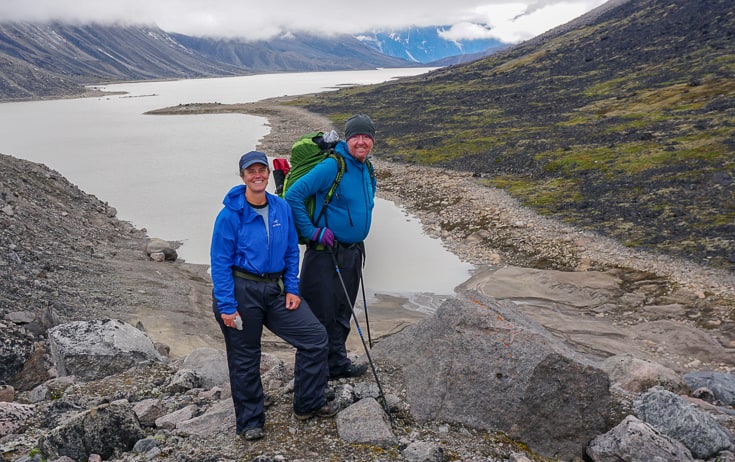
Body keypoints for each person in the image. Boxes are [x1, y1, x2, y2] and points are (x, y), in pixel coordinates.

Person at [210, 151, 338, 442]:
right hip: (241, 290)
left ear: (268, 174)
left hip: (276, 289)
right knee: (245, 357)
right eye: (251, 171)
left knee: (315, 338)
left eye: (262, 170)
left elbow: (292, 250)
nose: (258, 176)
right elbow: (219, 263)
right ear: (242, 176)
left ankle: (308, 404)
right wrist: (228, 307)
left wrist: (292, 288)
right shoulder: (230, 215)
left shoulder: (280, 207)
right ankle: (250, 421)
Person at [285, 114, 377, 380]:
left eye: (366, 137)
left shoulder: (367, 168)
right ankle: (315, 376)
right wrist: (312, 232)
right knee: (321, 314)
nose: (361, 142)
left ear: (372, 140)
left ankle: (337, 364)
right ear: (347, 139)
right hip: (326, 254)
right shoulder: (332, 166)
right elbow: (294, 196)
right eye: (356, 137)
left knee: (342, 312)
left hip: (352, 252)